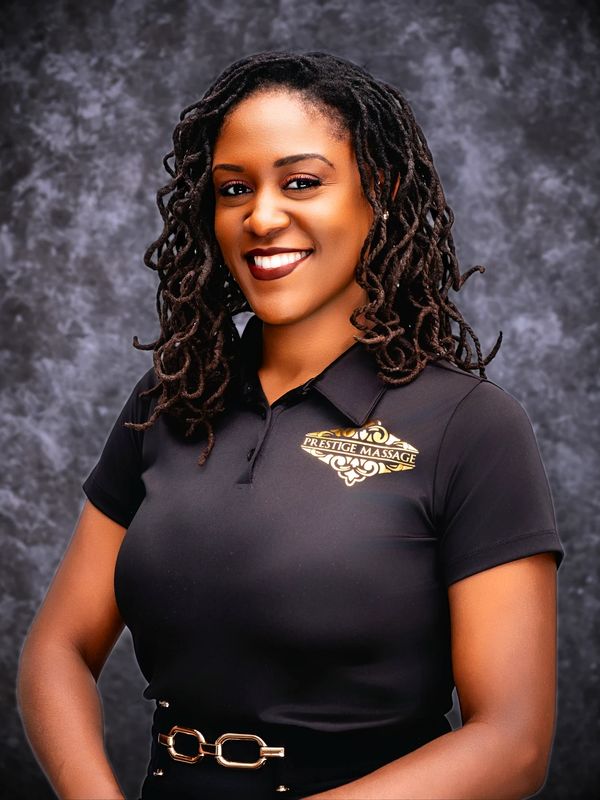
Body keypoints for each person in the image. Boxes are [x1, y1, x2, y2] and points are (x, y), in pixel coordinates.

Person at [17, 50, 565, 800]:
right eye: (234, 189)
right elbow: (58, 648)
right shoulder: (171, 399)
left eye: (301, 182)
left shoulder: (472, 426)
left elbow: (513, 743)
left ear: (381, 191)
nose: (262, 217)